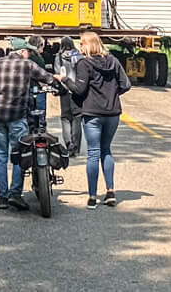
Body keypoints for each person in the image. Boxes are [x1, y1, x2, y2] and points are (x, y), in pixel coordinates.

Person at [56, 31, 131, 209]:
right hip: (113, 113)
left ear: (89, 45)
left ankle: (92, 196)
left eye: (82, 44)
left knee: (93, 153)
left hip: (92, 114)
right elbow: (125, 84)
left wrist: (64, 79)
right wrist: (112, 95)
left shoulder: (84, 63)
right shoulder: (113, 60)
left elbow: (80, 89)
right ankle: (110, 191)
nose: (80, 47)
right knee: (106, 150)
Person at [0, 36, 59, 211]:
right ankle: (15, 194)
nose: (29, 55)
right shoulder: (27, 65)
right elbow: (47, 77)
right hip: (17, 116)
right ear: (22, 51)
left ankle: (2, 197)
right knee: (20, 155)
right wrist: (60, 86)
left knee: (1, 157)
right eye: (28, 52)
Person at [56, 36, 83, 157]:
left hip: (64, 91)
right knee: (77, 118)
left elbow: (57, 73)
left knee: (65, 118)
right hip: (76, 90)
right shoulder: (79, 56)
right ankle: (76, 147)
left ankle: (68, 144)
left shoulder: (58, 57)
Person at [26, 35, 48, 132]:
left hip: (27, 88)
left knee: (29, 114)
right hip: (38, 89)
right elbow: (41, 75)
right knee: (40, 113)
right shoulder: (39, 59)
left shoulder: (27, 57)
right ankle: (41, 129)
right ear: (39, 45)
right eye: (42, 46)